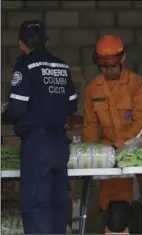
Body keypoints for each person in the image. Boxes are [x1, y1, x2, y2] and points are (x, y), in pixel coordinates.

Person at [1, 20, 78, 234]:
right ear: (47, 40)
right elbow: (72, 104)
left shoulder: (26, 66)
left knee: (36, 205)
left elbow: (16, 109)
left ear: (21, 43)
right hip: (60, 146)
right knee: (57, 204)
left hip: (37, 145)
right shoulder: (62, 67)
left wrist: (4, 114)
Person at [83, 35, 142, 234]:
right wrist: (91, 155)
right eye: (103, 66)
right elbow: (90, 125)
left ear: (122, 59)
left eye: (112, 65)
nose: (107, 70)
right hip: (112, 156)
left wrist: (123, 145)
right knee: (116, 213)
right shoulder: (93, 88)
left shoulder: (139, 85)